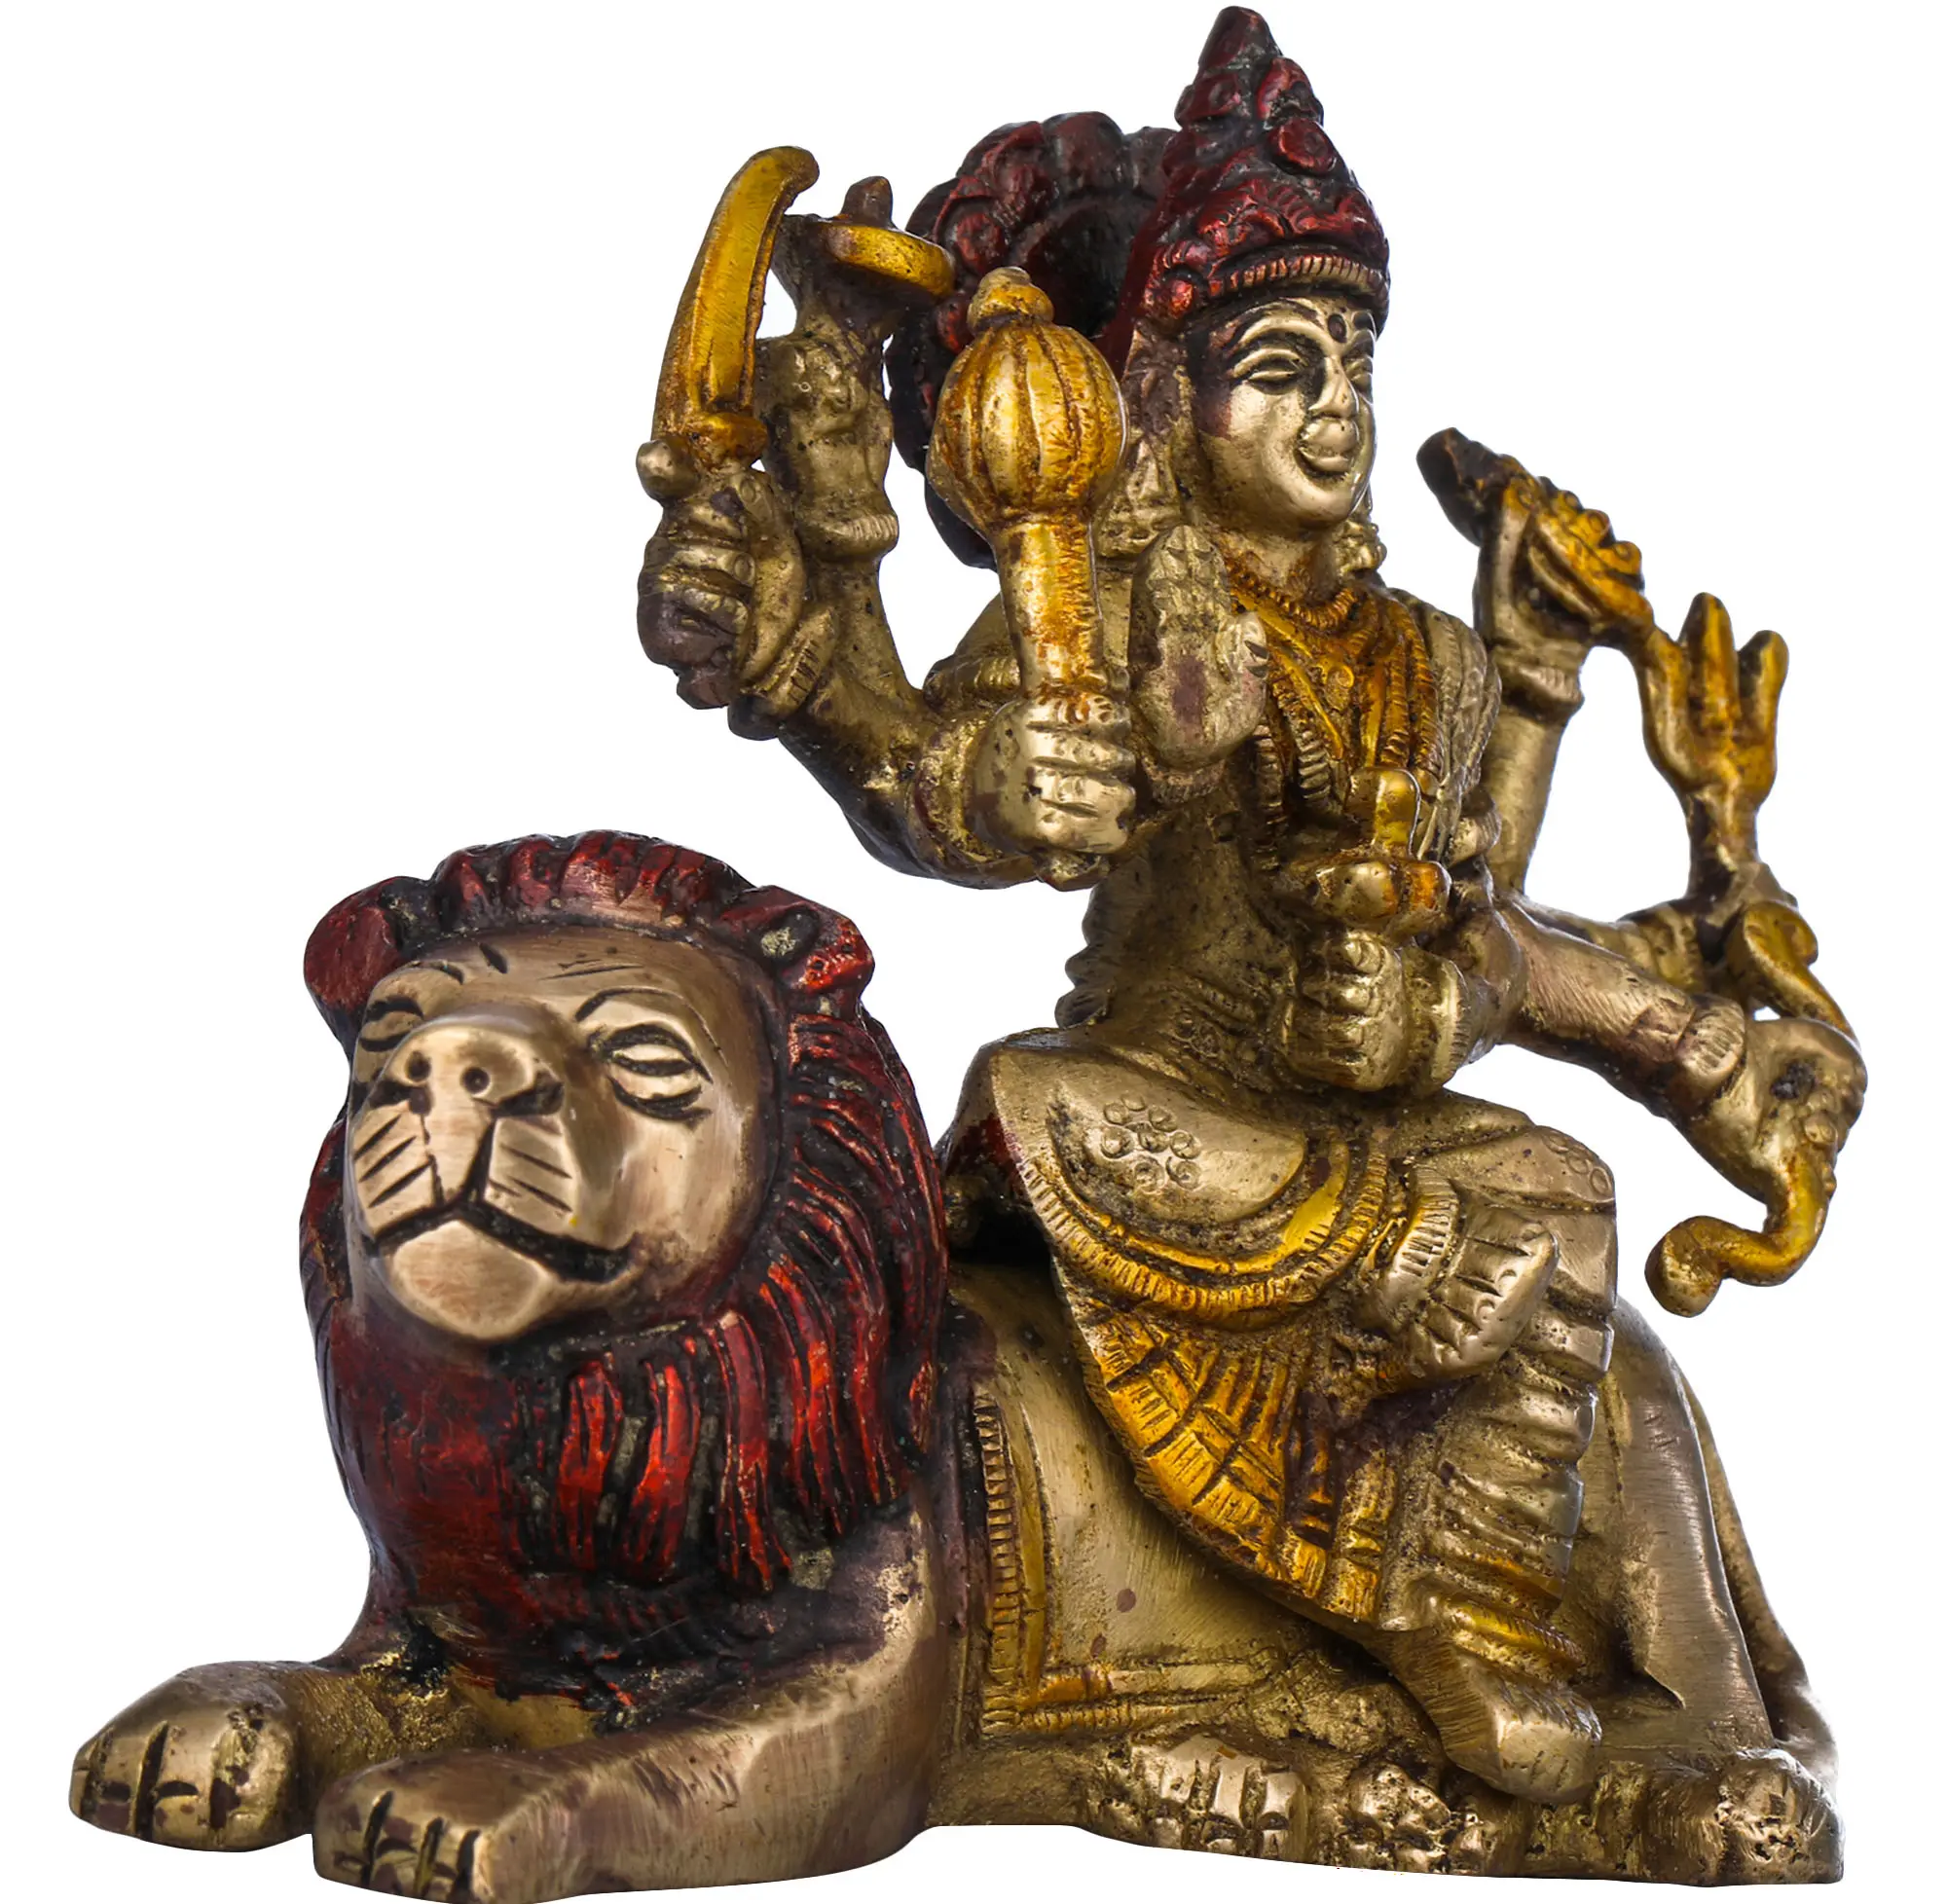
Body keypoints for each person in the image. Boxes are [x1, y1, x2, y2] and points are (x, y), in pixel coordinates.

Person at [636, 7, 1860, 1806]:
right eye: (1279, 366)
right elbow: (944, 797)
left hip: (1350, 1127)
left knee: (1559, 1188)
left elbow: (1479, 914)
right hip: (1159, 1111)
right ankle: (1396, 1379)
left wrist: (1517, 898)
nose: (1336, 405)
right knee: (1042, 1093)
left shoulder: (1431, 660)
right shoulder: (1119, 608)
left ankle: (1458, 1616)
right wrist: (882, 707)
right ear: (1159, 399)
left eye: (1355, 359)